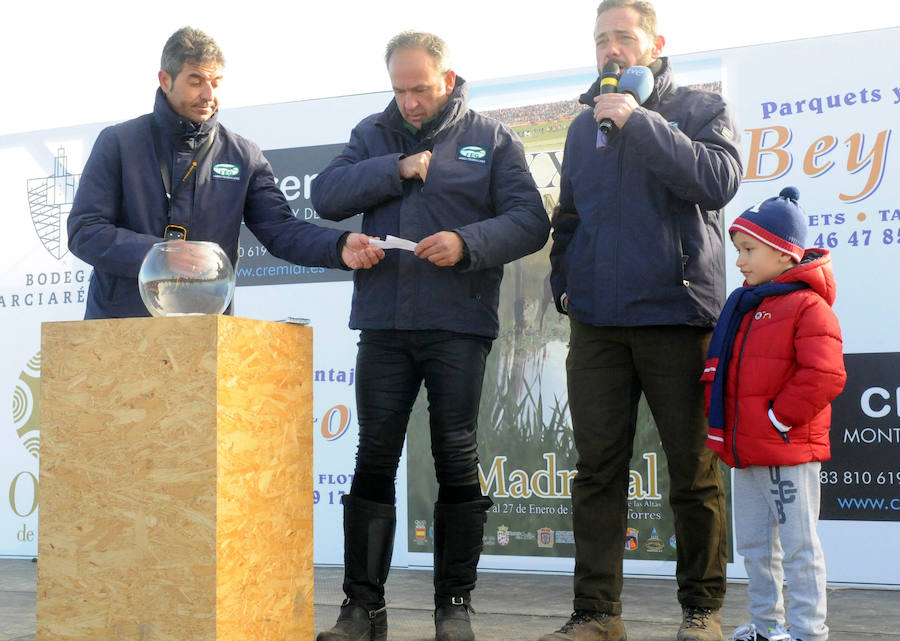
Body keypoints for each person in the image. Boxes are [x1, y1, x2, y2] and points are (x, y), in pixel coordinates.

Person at [311, 30, 549, 641]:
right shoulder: (371, 133)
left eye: (419, 89)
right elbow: (326, 197)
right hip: (385, 324)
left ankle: (454, 607)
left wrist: (468, 243)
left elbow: (530, 220)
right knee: (373, 456)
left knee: (456, 456)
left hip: (457, 324)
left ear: (446, 79)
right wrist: (395, 169)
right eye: (399, 89)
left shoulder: (491, 139)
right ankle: (362, 609)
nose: (409, 102)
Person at [543, 1, 742, 640]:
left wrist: (639, 121)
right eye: (601, 38)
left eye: (623, 37)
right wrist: (565, 284)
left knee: (692, 470)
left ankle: (701, 612)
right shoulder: (581, 127)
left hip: (678, 316)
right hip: (598, 323)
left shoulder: (699, 109)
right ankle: (598, 616)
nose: (611, 49)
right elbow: (568, 216)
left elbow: (716, 182)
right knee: (597, 469)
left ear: (656, 42)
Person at [68, 26, 383, 319]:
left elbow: (281, 229)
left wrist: (338, 246)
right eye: (195, 81)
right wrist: (157, 255)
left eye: (216, 82)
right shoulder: (119, 142)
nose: (208, 94)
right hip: (118, 328)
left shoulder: (243, 154)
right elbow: (85, 231)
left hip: (206, 332)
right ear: (165, 80)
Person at [704, 189, 846, 641]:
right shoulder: (747, 306)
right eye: (738, 250)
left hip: (786, 452)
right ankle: (767, 627)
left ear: (785, 252)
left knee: (799, 548)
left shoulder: (809, 307)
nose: (740, 260)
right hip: (745, 452)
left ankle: (808, 633)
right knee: (755, 547)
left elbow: (824, 376)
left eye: (749, 249)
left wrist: (777, 421)